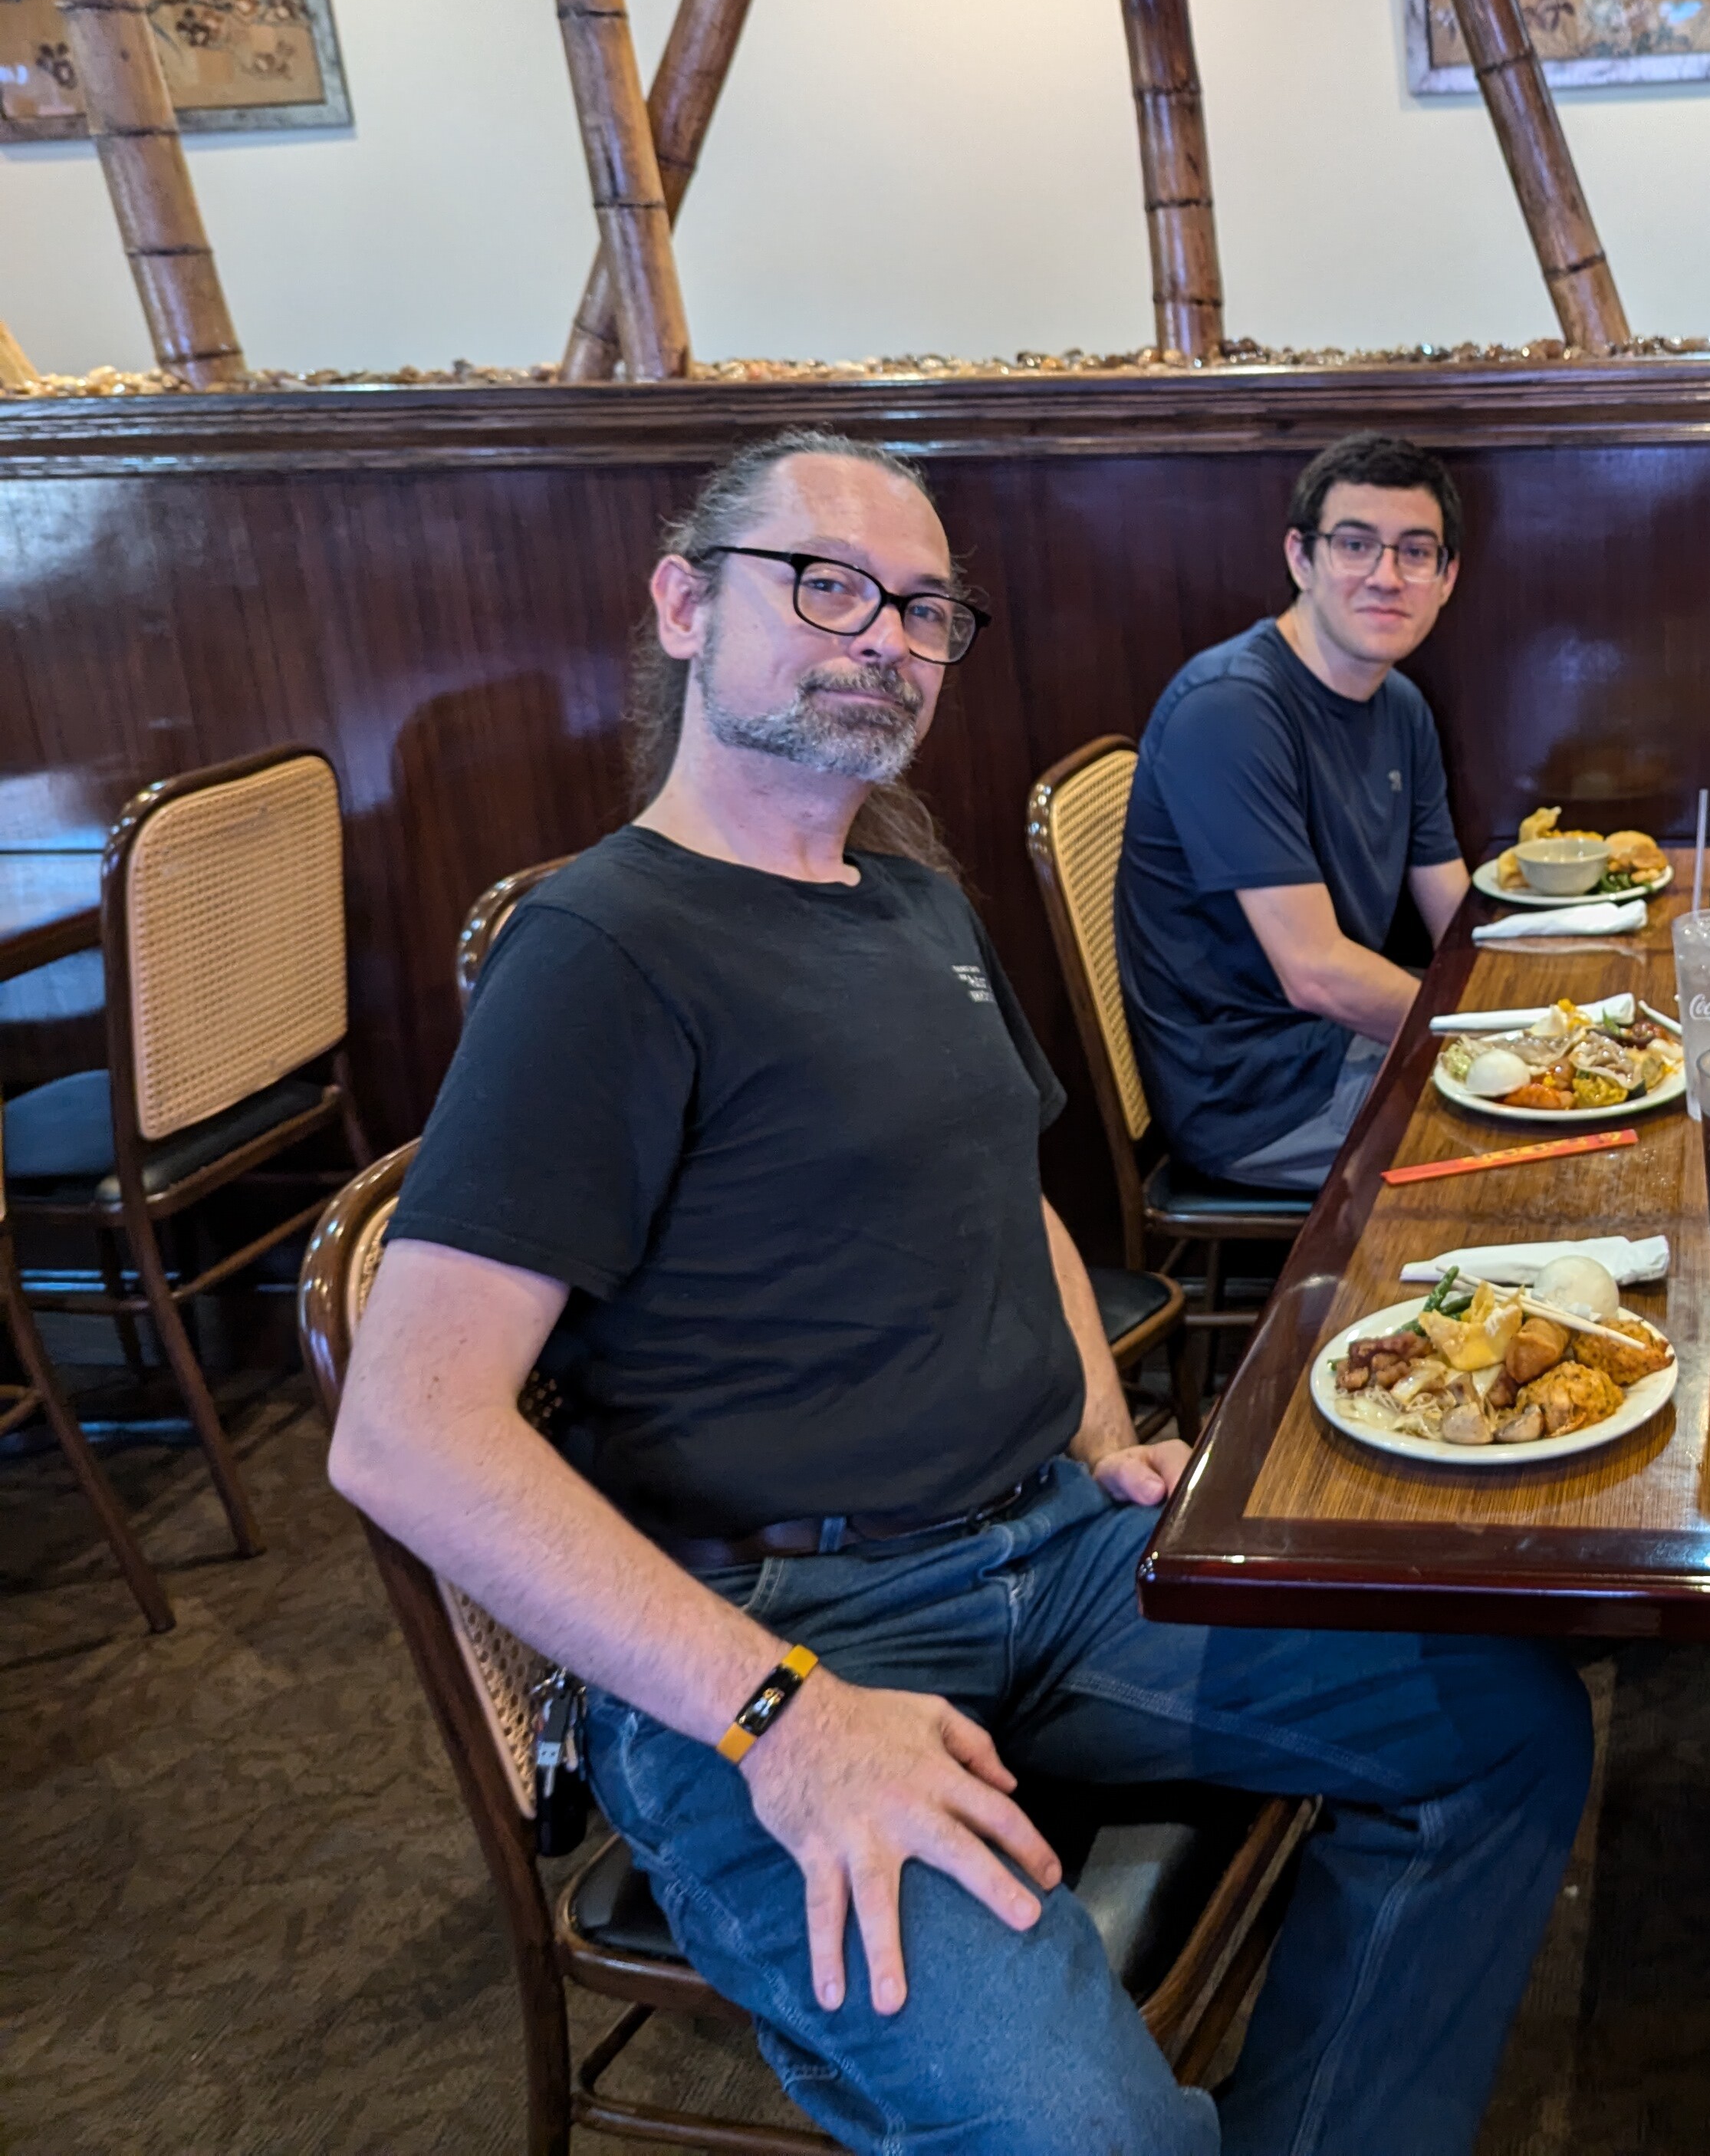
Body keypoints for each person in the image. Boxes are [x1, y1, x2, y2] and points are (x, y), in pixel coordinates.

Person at [327, 429, 1590, 2156]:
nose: (885, 638)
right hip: (782, 1638)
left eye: (924, 610)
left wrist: (1103, 1428)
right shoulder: (605, 950)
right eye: (827, 585)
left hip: (1053, 1556)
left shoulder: (913, 899)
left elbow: (1027, 1203)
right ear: (687, 603)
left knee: (1502, 1730)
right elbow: (403, 1432)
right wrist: (774, 1709)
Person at [1116, 433, 1473, 1193]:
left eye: (1415, 552)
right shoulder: (1230, 707)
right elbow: (1314, 975)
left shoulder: (1399, 703)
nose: (1386, 576)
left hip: (1341, 1046)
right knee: (1552, 1141)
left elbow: (1454, 912)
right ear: (1300, 558)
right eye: (1355, 545)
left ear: (1446, 578)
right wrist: (1502, 1038)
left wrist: (1540, 1016)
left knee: (1592, 1098)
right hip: (1256, 1099)